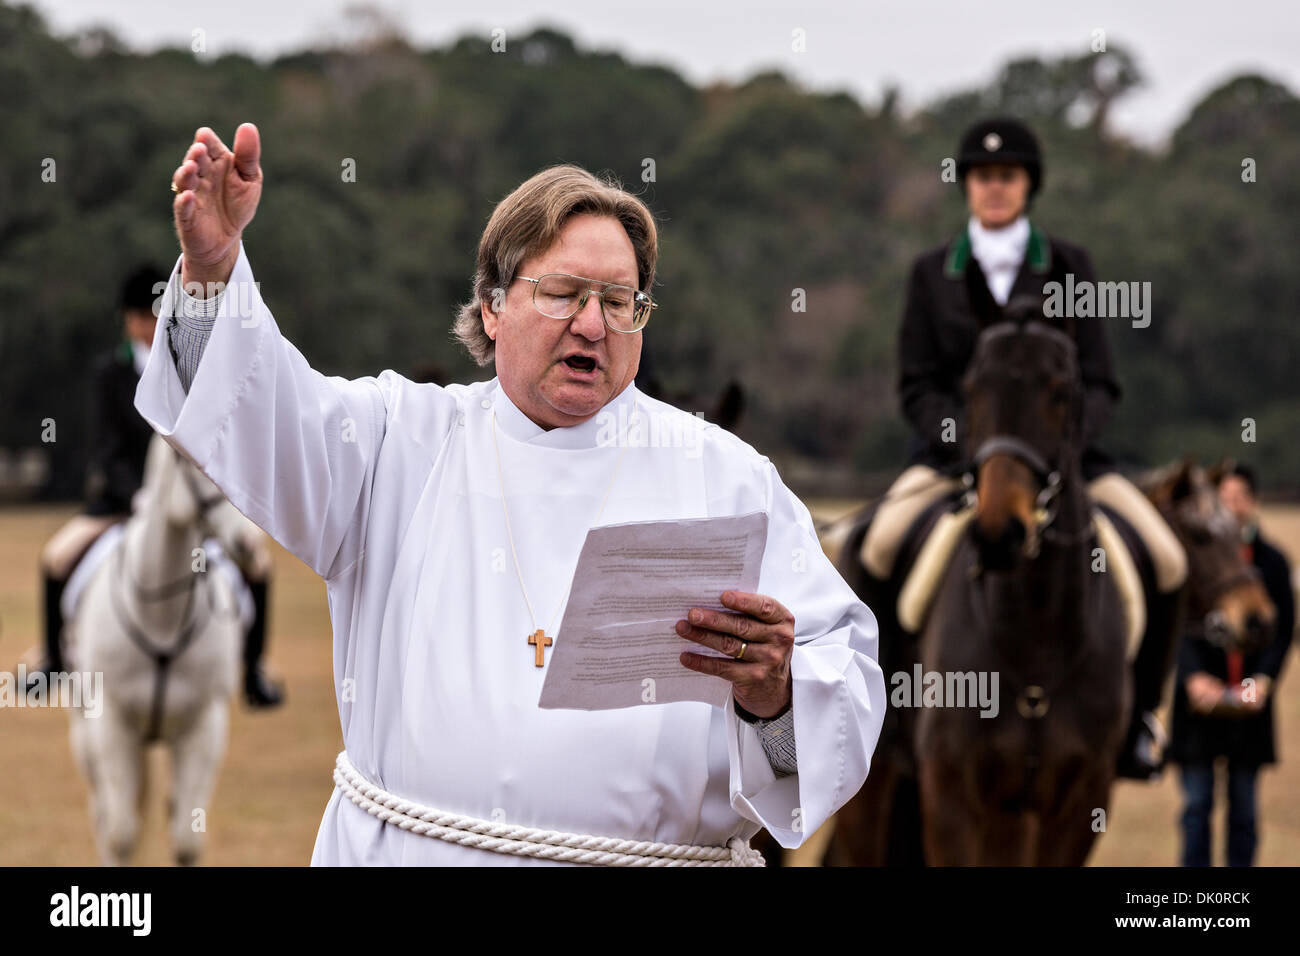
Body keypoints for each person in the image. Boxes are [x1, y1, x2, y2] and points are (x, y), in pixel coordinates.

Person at [137, 123, 886, 866]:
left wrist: (775, 695)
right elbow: (256, 409)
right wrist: (211, 271)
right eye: (562, 293)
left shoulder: (727, 479)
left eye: (620, 301)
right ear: (492, 307)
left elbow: (837, 697)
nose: (592, 323)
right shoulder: (397, 443)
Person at [859, 116, 1188, 779]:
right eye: (984, 177)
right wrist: (968, 450)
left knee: (1168, 559)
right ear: (967, 185)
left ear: (1028, 185)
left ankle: (1142, 721)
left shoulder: (1071, 266)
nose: (995, 188)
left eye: (1008, 176)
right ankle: (883, 721)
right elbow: (918, 383)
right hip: (956, 459)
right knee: (877, 548)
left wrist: (1061, 452)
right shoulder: (931, 274)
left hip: (1066, 464)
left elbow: (1100, 382)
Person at [30, 264, 284, 709]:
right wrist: (140, 496)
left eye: (154, 316)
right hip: (122, 503)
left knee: (258, 564)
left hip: (192, 506)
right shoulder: (109, 374)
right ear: (127, 320)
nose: (147, 326)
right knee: (55, 560)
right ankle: (53, 661)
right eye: (140, 317)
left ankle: (253, 672)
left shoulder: (188, 370)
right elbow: (107, 450)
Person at [1170, 462, 1294, 866]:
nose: (1232, 506)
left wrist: (1264, 680)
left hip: (1249, 703)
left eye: (1239, 498)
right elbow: (1180, 624)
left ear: (1254, 503)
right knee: (1196, 806)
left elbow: (1283, 628)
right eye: (1224, 499)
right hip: (1199, 703)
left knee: (1244, 809)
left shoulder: (1272, 562)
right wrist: (1192, 677)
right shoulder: (1196, 556)